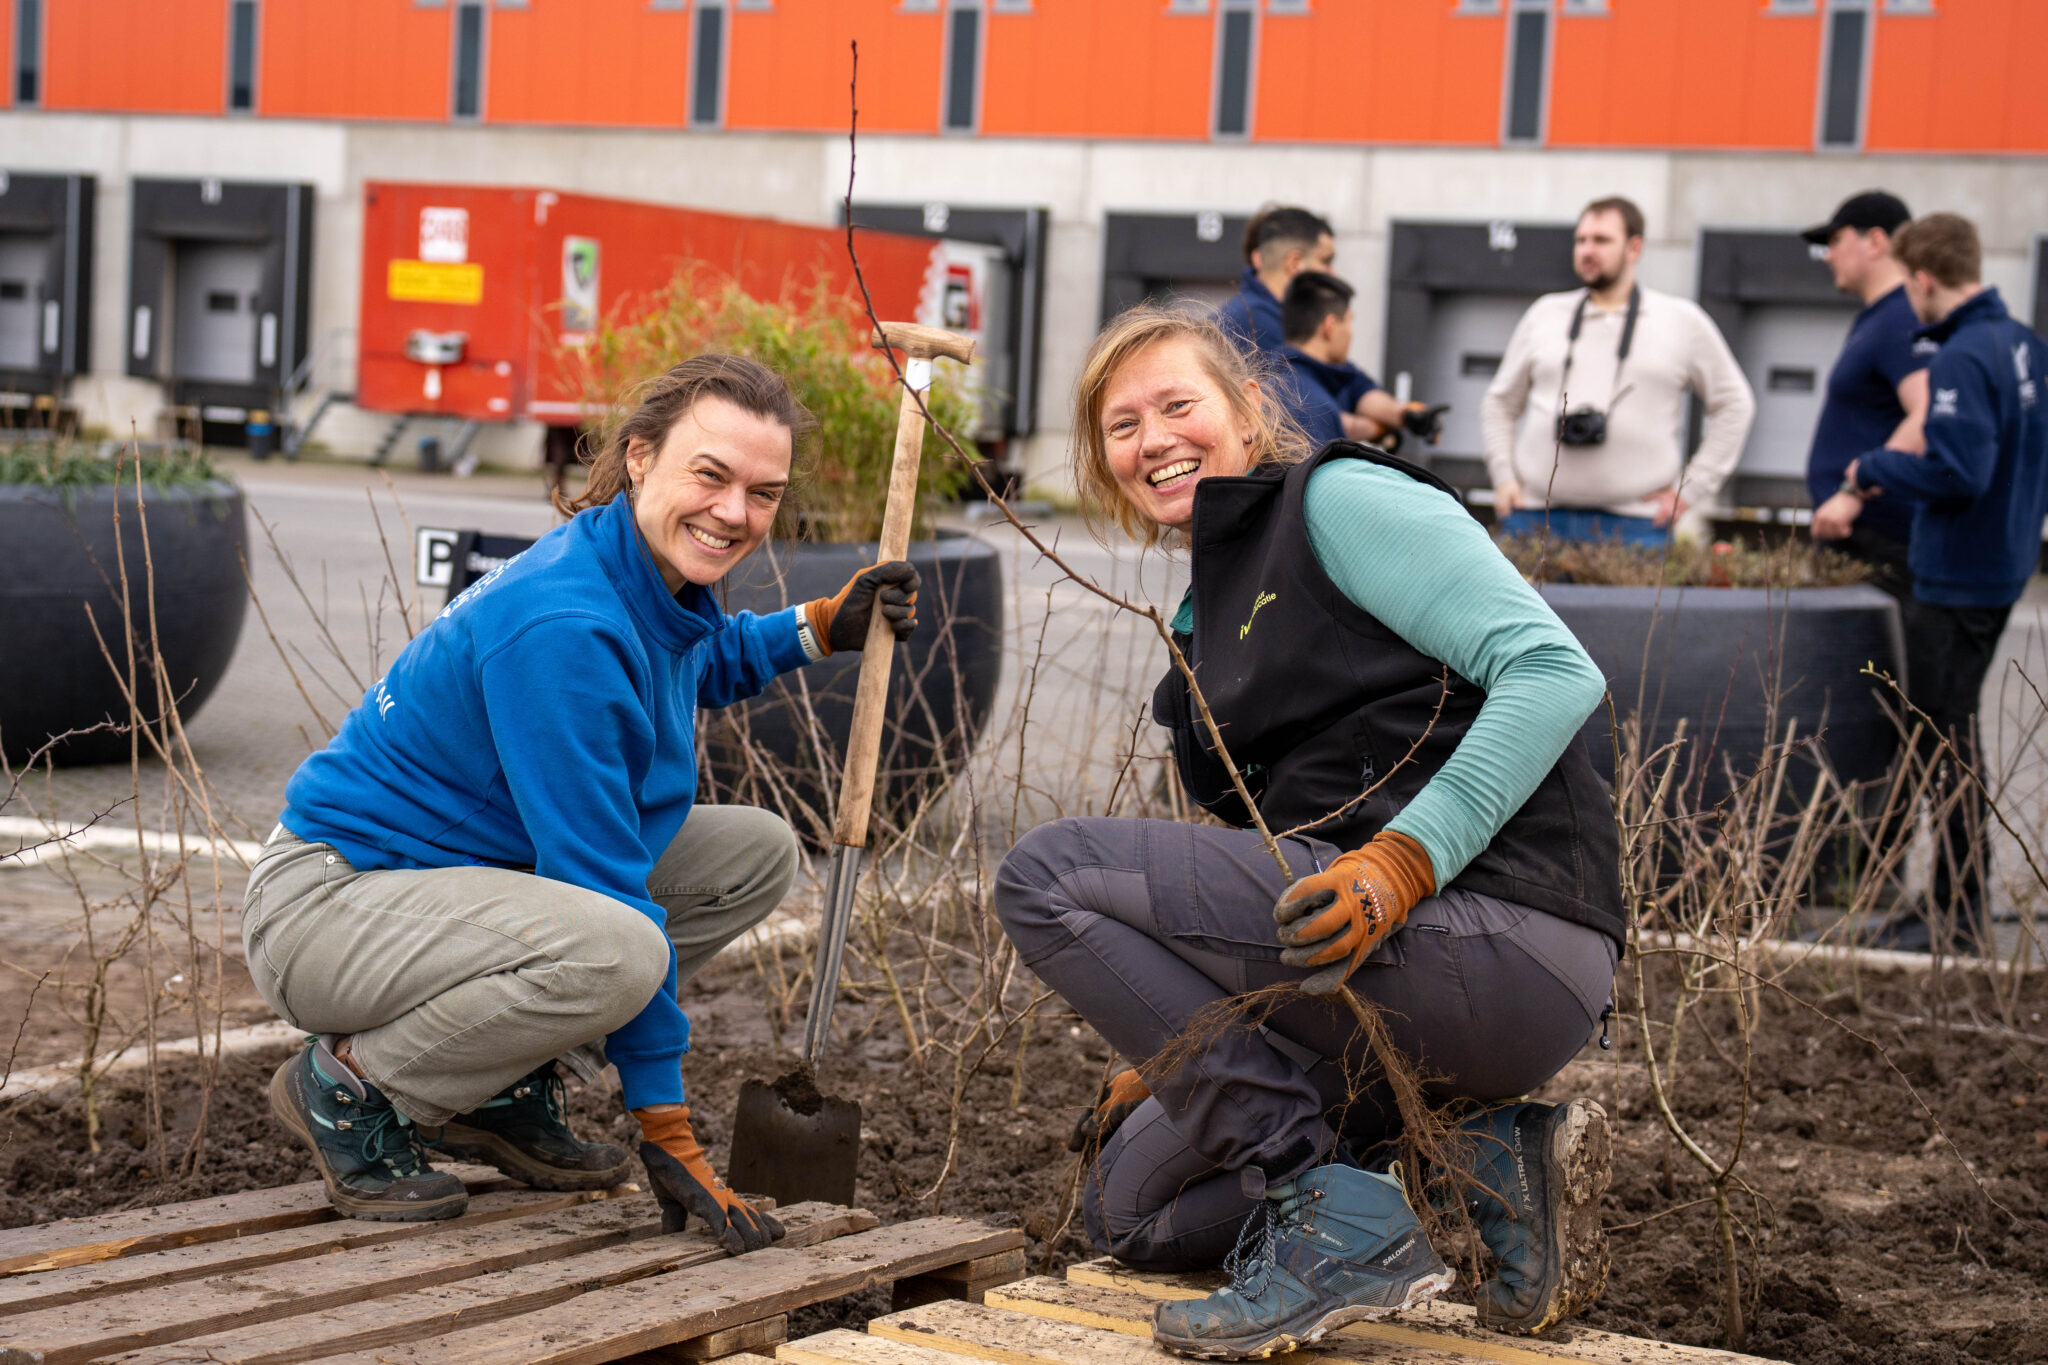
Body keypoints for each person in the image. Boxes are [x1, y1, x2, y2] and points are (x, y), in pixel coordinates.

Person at [994, 306, 1625, 1357]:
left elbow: (1555, 672)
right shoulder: (1211, 619)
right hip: (1379, 981)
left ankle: (1316, 1204)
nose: (1151, 438)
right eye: (1120, 424)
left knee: (1044, 877)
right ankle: (1472, 1162)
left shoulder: (1335, 502)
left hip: (1501, 937)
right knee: (1131, 1213)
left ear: (1246, 413)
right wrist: (1175, 1046)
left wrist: (1401, 864)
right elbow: (1249, 905)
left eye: (1176, 404)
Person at [242, 356, 921, 1245]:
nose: (734, 512)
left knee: (754, 851)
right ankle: (351, 1086)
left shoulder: (634, 567)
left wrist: (818, 625)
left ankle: (500, 1084)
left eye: (763, 492)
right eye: (710, 475)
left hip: (451, 885)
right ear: (640, 456)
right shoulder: (565, 625)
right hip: (331, 907)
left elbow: (692, 658)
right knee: (617, 948)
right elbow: (601, 889)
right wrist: (665, 1124)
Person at [1840, 214, 2048, 953]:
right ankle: (1946, 906)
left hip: (1957, 579)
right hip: (2001, 567)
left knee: (1944, 746)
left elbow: (1960, 473)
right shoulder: (2024, 344)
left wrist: (1875, 467)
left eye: (1910, 285)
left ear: (1923, 278)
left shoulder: (1963, 356)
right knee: (1948, 740)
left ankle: (1955, 918)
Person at [1483, 196, 1755, 545]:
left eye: (1601, 240)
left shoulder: (1681, 321)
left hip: (1637, 527)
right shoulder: (1544, 314)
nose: (1587, 251)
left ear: (1634, 247)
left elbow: (1735, 404)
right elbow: (1500, 403)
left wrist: (1690, 490)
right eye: (1581, 240)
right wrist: (1503, 477)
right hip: (1534, 516)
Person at [1804, 190, 1931, 600]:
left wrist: (1851, 493)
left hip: (1877, 543)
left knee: (1872, 666)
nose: (1827, 255)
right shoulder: (1880, 316)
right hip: (1858, 541)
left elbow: (1926, 414)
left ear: (1876, 241)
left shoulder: (1900, 317)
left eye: (1836, 240)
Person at [1278, 271, 1449, 454]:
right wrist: (1376, 429)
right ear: (1330, 327)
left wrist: (1404, 415)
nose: (1351, 332)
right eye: (1349, 322)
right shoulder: (1299, 398)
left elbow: (1361, 391)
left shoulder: (1328, 372)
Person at [1216, 206, 1335, 359]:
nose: (1332, 273)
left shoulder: (1261, 318)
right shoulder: (1250, 324)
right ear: (1295, 263)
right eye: (1326, 261)